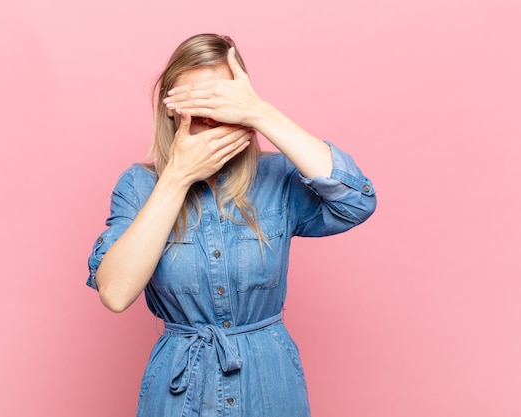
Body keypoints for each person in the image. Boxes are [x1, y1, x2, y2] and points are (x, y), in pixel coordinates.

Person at [86, 33, 376, 417]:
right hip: (179, 393)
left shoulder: (278, 177)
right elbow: (116, 293)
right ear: (170, 109)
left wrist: (261, 113)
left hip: (270, 386)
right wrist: (177, 177)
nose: (209, 115)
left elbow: (356, 202)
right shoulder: (140, 186)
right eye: (195, 102)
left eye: (221, 100)